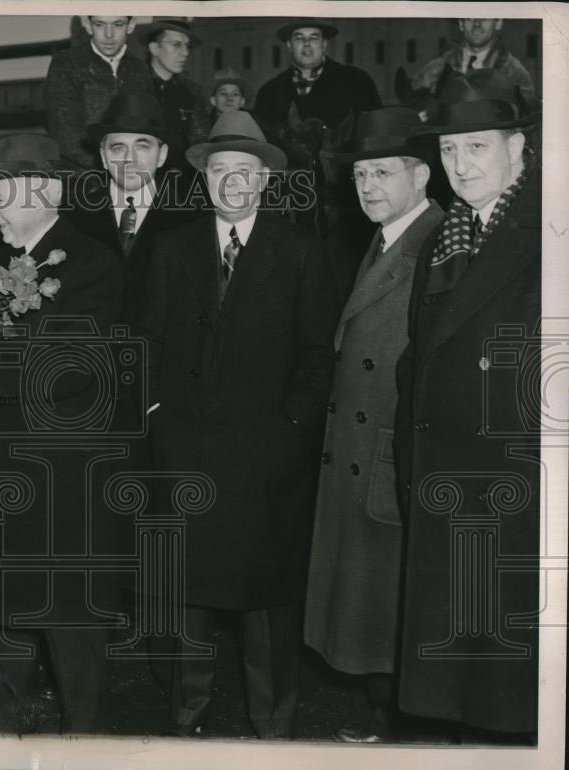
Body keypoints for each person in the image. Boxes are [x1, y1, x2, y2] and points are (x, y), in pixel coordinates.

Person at [141, 111, 338, 738]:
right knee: (188, 593)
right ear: (204, 180)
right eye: (220, 171)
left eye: (244, 172)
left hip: (265, 455)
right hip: (187, 450)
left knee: (266, 598)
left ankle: (271, 725)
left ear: (265, 181)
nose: (232, 183)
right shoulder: (171, 248)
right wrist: (155, 419)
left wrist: (291, 427)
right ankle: (186, 718)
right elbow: (144, 342)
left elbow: (317, 352)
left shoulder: (301, 249)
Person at [0, 134, 124, 734]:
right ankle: (3, 715)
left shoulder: (93, 262)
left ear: (46, 193)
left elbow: (72, 363)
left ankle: (84, 729)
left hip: (59, 469)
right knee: (1, 600)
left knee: (67, 608)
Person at [394, 71, 541, 739]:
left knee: (507, 685)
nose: (460, 165)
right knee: (455, 677)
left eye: (477, 147)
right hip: (443, 479)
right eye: (449, 152)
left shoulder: (550, 229)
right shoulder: (444, 239)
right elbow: (417, 360)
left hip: (515, 485)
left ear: (518, 146)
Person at [303, 108, 444, 743]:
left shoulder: (436, 243)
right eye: (359, 174)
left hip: (389, 456)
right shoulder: (383, 239)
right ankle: (385, 722)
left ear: (422, 175)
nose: (367, 186)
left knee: (389, 605)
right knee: (372, 607)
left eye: (382, 172)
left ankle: (402, 733)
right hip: (365, 452)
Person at [69, 92, 192, 327]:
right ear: (104, 157)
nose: (130, 159)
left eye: (142, 146)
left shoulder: (190, 218)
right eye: (118, 148)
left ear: (162, 155)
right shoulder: (74, 219)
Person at [45, 16, 153, 170]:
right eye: (99, 24)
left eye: (118, 24)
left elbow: (148, 129)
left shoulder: (141, 70)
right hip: (79, 177)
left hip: (131, 173)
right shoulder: (66, 64)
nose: (108, 34)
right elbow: (65, 134)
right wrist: (110, 167)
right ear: (88, 25)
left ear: (131, 25)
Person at [254, 19, 381, 134]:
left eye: (314, 38)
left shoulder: (357, 81)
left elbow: (374, 131)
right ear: (289, 45)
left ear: (324, 44)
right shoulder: (269, 92)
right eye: (299, 38)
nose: (307, 44)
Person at [141, 17, 211, 175]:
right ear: (154, 48)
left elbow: (200, 139)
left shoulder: (191, 92)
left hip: (181, 179)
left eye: (187, 46)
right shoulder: (133, 86)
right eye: (176, 44)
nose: (185, 53)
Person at [413, 19, 534, 97]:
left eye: (485, 17)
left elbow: (526, 123)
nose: (477, 24)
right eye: (470, 18)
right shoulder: (436, 69)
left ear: (498, 23)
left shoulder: (514, 73)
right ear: (461, 24)